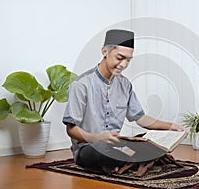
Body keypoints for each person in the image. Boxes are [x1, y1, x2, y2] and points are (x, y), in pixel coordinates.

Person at [62, 29, 184, 173]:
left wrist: (170, 127)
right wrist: (97, 138)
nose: (124, 65)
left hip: (117, 145)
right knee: (105, 151)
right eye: (120, 57)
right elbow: (71, 129)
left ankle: (128, 160)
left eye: (128, 60)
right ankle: (138, 159)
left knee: (147, 141)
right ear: (104, 52)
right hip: (90, 147)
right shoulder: (81, 85)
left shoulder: (125, 85)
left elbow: (140, 118)